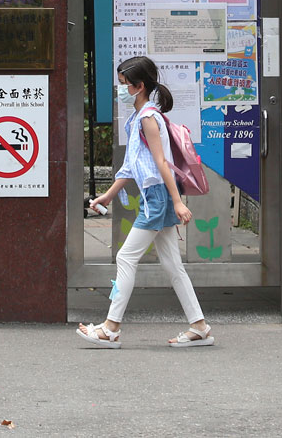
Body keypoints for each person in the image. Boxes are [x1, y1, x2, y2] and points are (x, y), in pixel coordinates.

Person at [76, 55, 214, 349]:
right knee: (172, 264)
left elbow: (162, 163)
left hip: (158, 198)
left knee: (126, 258)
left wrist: (177, 202)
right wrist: (109, 195)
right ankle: (199, 326)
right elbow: (131, 165)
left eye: (124, 84)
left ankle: (110, 328)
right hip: (158, 196)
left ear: (139, 86)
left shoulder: (148, 118)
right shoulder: (139, 118)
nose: (121, 89)